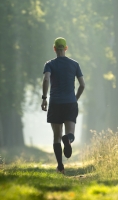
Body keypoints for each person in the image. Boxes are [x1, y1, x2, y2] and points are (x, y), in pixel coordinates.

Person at [41, 37, 85, 174]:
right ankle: (69, 139)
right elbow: (82, 85)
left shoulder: (49, 64)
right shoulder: (74, 64)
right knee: (70, 133)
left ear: (54, 49)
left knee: (56, 136)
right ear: (66, 48)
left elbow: (46, 78)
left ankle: (60, 166)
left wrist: (44, 98)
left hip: (55, 103)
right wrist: (75, 98)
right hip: (70, 103)